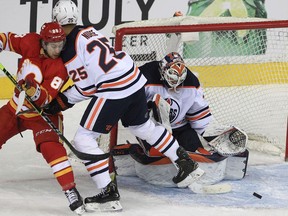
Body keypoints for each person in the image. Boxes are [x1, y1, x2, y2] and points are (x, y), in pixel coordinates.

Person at [46, 0, 204, 212]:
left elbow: (86, 87)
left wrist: (59, 103)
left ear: (56, 19)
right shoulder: (89, 31)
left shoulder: (69, 47)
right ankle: (185, 162)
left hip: (114, 89)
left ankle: (107, 192)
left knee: (83, 139)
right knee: (141, 126)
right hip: (134, 79)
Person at [112, 52, 249, 187]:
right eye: (171, 80)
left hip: (181, 127)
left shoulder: (191, 82)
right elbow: (130, 104)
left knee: (196, 155)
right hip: (154, 129)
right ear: (162, 71)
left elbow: (199, 116)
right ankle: (135, 150)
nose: (174, 86)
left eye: (179, 81)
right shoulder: (144, 76)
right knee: (158, 151)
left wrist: (216, 135)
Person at [0, 22, 85, 215]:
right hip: (15, 108)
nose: (58, 50)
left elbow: (45, 97)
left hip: (42, 114)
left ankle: (70, 190)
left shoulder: (59, 67)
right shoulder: (30, 41)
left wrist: (33, 90)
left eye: (61, 44)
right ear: (43, 43)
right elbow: (8, 40)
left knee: (51, 148)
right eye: (53, 45)